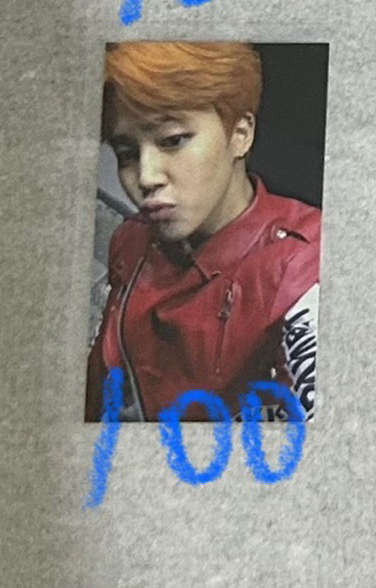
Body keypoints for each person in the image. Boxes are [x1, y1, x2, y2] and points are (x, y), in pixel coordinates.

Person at [86, 41, 320, 421]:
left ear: (240, 134)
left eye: (172, 140)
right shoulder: (131, 239)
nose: (145, 177)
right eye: (126, 153)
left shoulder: (304, 270)